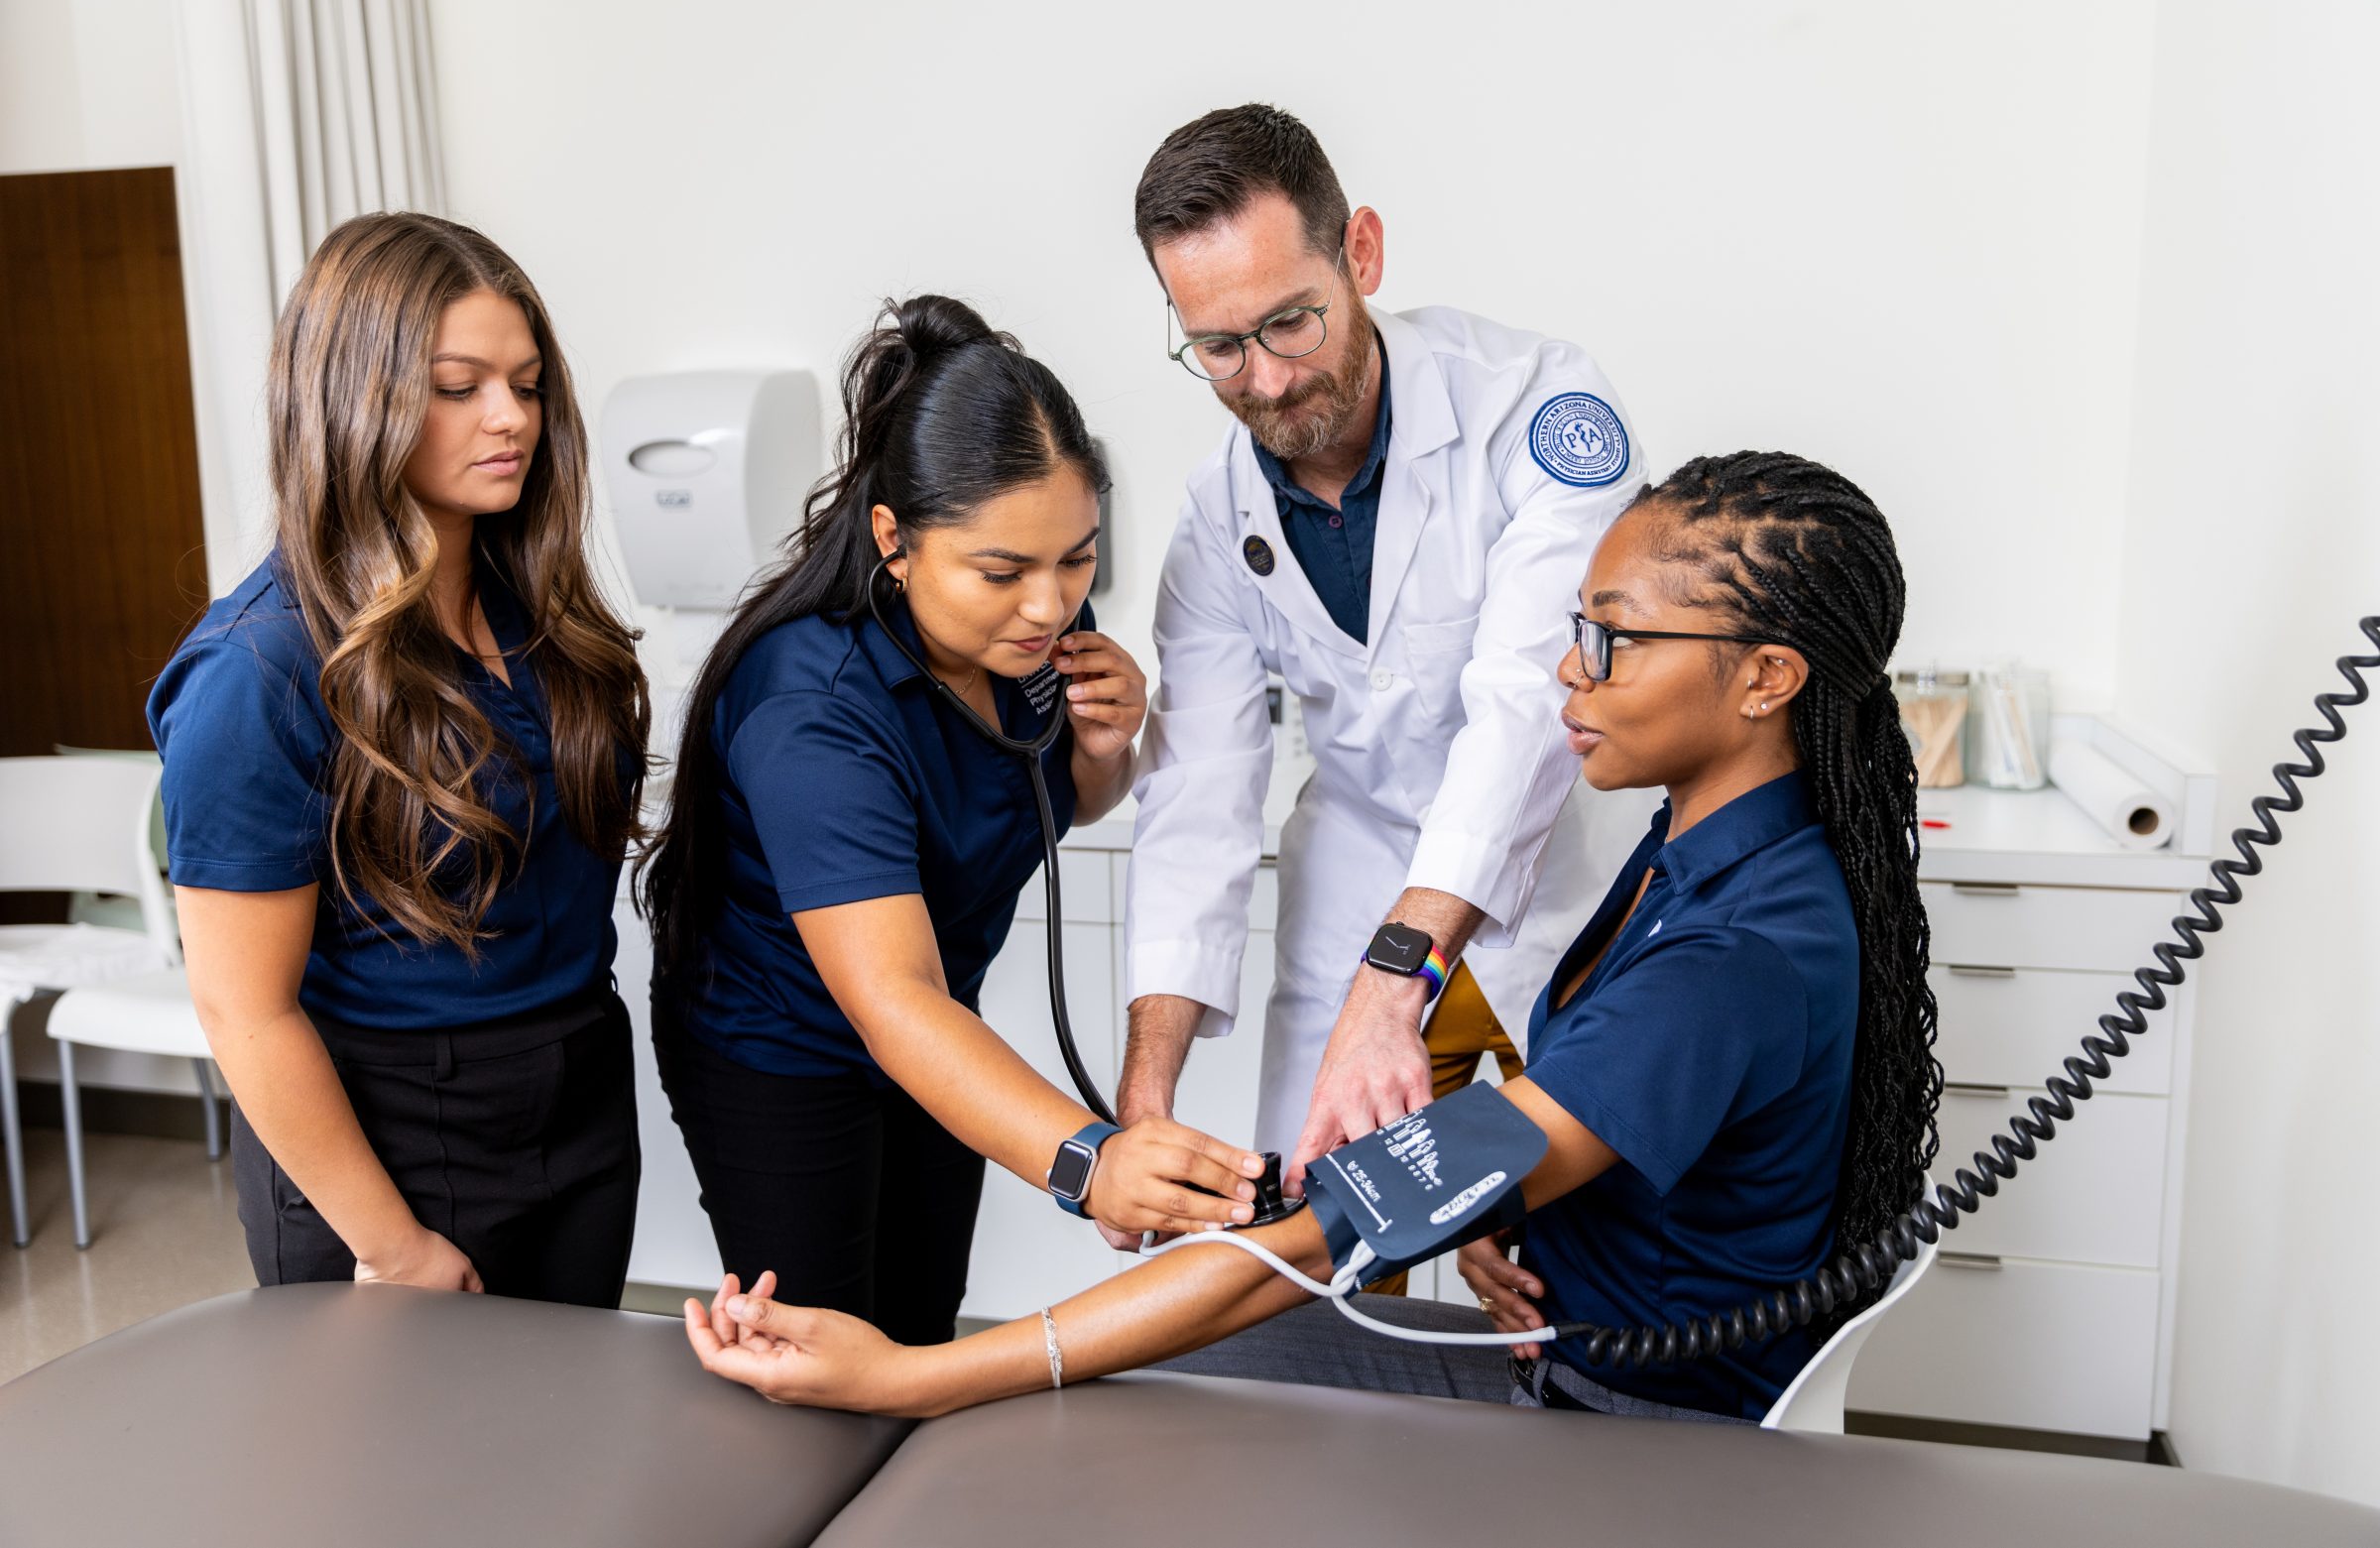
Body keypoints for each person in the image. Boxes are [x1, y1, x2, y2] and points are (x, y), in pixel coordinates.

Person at [683, 451, 1943, 1423]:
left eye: (1612, 638)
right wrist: (1520, 1199)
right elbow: (1616, 1116)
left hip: (1618, 1421)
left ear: (1767, 679)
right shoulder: (1719, 855)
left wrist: (919, 1373)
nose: (1568, 671)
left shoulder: (1732, 952)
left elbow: (1312, 1244)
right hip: (1583, 1352)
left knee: (1139, 1376)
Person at [641, 296, 1267, 1348]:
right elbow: (892, 997)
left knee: (921, 1327)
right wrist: (1087, 1163)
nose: (1050, 604)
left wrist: (1101, 746)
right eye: (1003, 571)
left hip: (939, 1026)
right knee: (825, 1342)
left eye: (1077, 557)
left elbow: (1052, 800)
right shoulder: (814, 707)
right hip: (782, 1052)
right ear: (895, 537)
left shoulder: (1035, 642)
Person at [1116, 104, 1656, 1233]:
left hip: (1563, 886)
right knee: (1304, 1250)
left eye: (1290, 323)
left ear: (1360, 252)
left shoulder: (1538, 408)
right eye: (1218, 346)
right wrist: (1143, 1096)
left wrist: (1395, 974)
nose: (1262, 381)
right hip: (1356, 879)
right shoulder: (1218, 516)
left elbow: (1525, 706)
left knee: (1580, 1255)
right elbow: (1197, 799)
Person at [151, 212, 650, 1304]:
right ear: (353, 399)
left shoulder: (542, 618)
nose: (509, 417)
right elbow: (244, 1009)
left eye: (525, 383)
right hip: (385, 1143)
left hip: (577, 1103)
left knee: (568, 1454)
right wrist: (392, 1243)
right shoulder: (260, 670)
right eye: (457, 385)